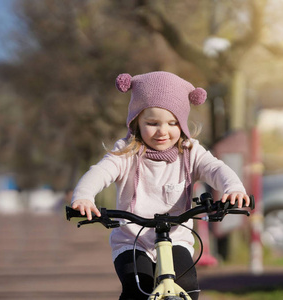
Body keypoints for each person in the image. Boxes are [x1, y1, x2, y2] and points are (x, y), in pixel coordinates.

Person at [71, 71, 249, 300]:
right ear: (136, 123)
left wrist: (233, 188)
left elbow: (215, 168)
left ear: (182, 123)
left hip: (176, 237)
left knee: (188, 286)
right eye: (152, 123)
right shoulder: (127, 152)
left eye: (173, 123)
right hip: (133, 240)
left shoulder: (190, 151)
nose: (163, 131)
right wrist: (84, 196)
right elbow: (101, 172)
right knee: (138, 287)